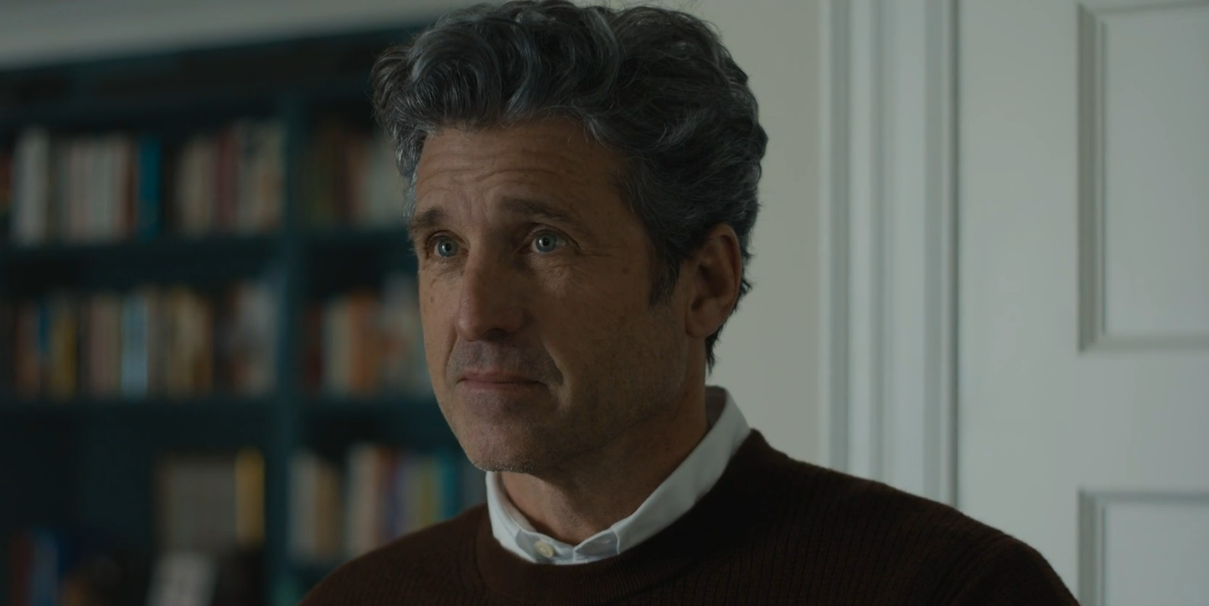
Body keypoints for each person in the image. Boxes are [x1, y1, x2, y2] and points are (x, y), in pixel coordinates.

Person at [301, 1, 1077, 604]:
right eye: (444, 248)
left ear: (705, 283)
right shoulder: (355, 601)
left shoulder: (956, 591)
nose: (474, 315)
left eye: (543, 241)